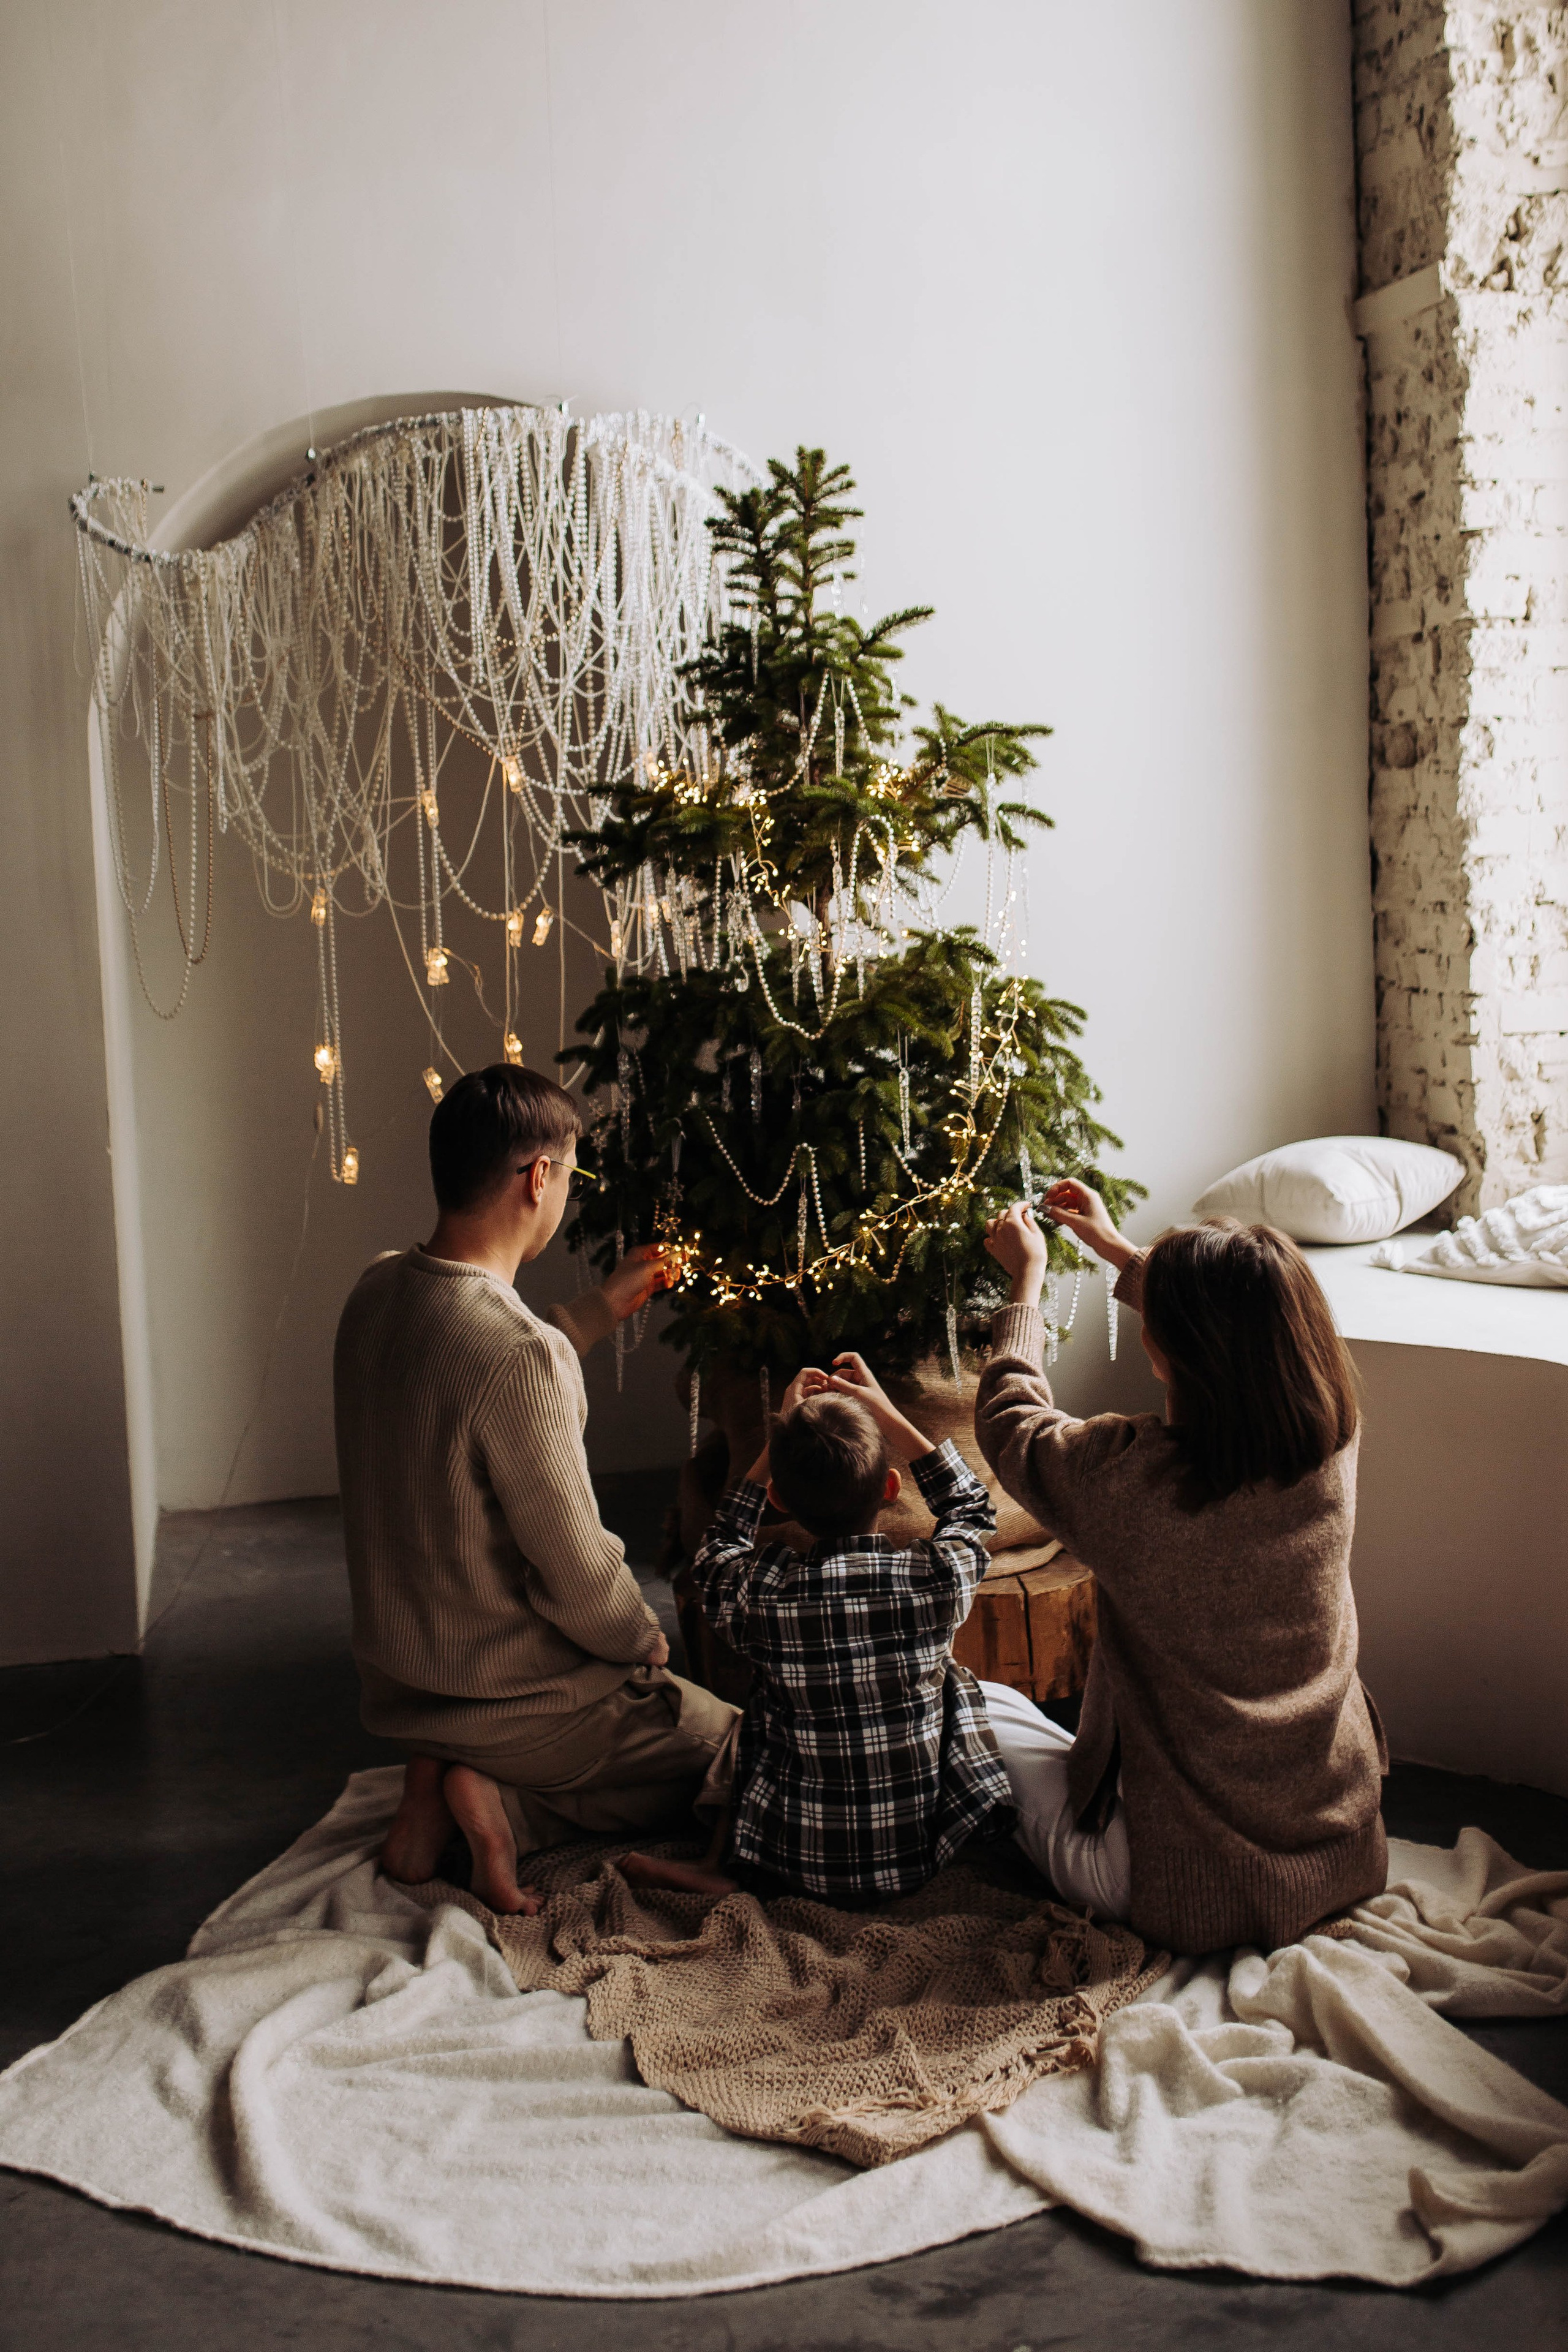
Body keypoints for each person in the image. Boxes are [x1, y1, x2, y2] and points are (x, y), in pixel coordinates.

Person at [333, 1063, 738, 1913]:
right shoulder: (519, 1354)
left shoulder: (374, 1293)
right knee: (745, 1757)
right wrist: (641, 1642)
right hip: (524, 1701)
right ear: (538, 1176)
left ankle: (440, 1784)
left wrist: (599, 1308)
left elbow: (466, 1375)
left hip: (411, 1686)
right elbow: (578, 1570)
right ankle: (507, 1805)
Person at [973, 1183, 1389, 1954]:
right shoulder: (1332, 1441)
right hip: (1341, 1857)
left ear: (1163, 1351)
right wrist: (1119, 1255)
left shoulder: (1126, 1483)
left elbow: (1009, 1420)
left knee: (972, 1706)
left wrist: (1024, 1283)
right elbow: (1253, 1324)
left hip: (1178, 1888)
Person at [625, 1357, 1014, 1905]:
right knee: (956, 1684)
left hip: (796, 1866)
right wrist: (889, 1413)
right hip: (919, 1858)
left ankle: (723, 1861)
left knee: (758, 1715)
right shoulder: (935, 1578)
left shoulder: (763, 1594)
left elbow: (717, 1551)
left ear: (780, 1501)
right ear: (890, 1487)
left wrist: (774, 1442)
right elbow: (971, 1507)